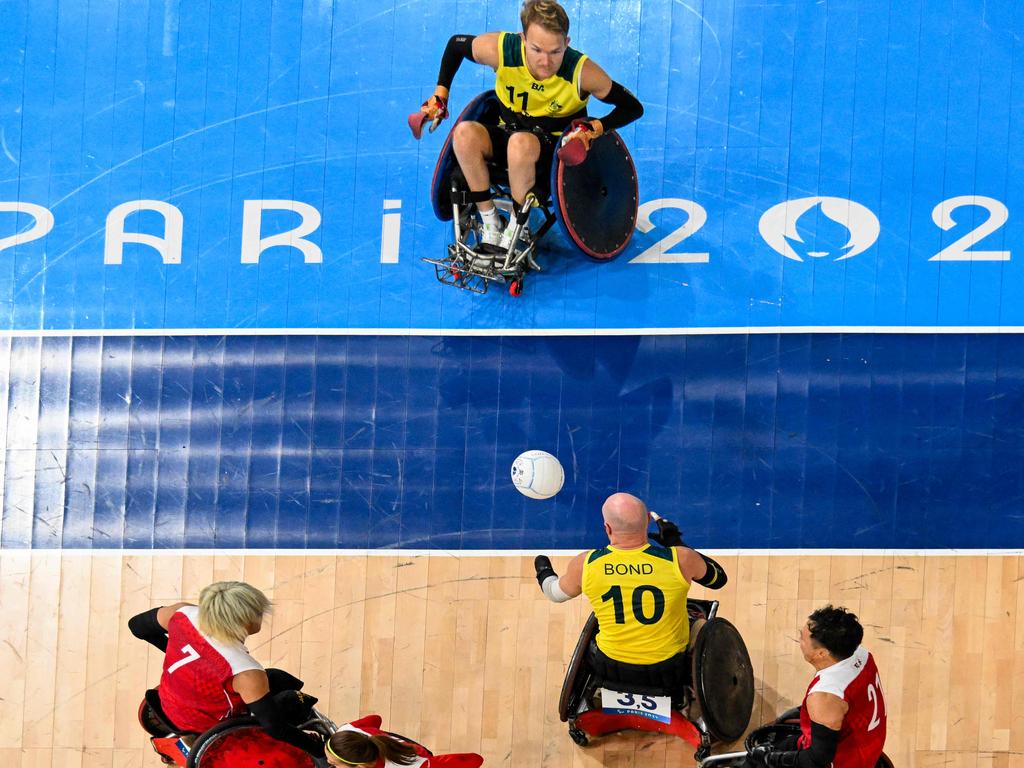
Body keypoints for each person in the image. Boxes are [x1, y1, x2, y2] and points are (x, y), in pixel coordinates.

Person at [414, 0, 643, 260]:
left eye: (555, 52)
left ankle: (516, 224)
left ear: (566, 43)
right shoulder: (501, 50)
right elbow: (456, 45)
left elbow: (632, 107)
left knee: (520, 144)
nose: (545, 61)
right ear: (523, 39)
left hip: (552, 156)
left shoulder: (582, 72)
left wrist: (595, 127)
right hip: (509, 134)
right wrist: (440, 95)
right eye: (536, 49)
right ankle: (490, 221)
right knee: (464, 134)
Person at [533, 492, 727, 697]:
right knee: (699, 620)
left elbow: (554, 593)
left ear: (607, 528)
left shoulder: (586, 564)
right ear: (647, 523)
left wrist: (543, 570)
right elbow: (718, 579)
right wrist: (675, 543)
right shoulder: (681, 558)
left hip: (610, 667)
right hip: (668, 668)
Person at [128, 580, 323, 757]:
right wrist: (319, 750)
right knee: (285, 691)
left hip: (169, 705)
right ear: (244, 621)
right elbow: (275, 727)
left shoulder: (182, 614)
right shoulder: (245, 672)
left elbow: (136, 626)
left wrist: (175, 651)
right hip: (208, 728)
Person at [749, 606, 887, 768]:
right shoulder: (860, 654)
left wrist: (771, 759)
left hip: (845, 761)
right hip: (869, 741)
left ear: (821, 653)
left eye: (802, 638)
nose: (799, 641)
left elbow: (817, 760)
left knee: (755, 761)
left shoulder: (825, 694)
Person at [324, 714, 484, 768]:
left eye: (335, 765)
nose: (329, 764)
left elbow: (474, 760)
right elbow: (375, 719)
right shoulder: (346, 730)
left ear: (360, 766)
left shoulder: (415, 765)